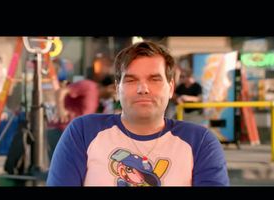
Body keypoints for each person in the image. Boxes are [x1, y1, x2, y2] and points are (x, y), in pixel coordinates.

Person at [47, 41, 229, 186]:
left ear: (171, 88)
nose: (143, 89)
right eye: (132, 80)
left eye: (154, 79)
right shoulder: (83, 132)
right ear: (117, 89)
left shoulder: (200, 141)